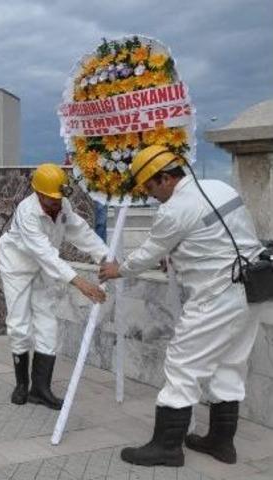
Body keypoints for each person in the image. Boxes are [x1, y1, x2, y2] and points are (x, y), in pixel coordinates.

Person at [99, 145, 265, 467]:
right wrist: (180, 254)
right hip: (253, 289)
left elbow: (148, 252)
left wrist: (117, 269)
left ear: (164, 178)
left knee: (182, 363)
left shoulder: (174, 209)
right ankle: (221, 442)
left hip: (217, 295)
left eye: (150, 187)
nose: (151, 196)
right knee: (230, 364)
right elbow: (214, 237)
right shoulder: (218, 187)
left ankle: (167, 447)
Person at [0, 163, 108, 410]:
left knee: (48, 321)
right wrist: (79, 282)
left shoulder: (62, 204)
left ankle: (40, 389)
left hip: (44, 267)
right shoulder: (27, 213)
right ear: (38, 193)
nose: (57, 204)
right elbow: (44, 253)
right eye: (51, 200)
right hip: (17, 265)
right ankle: (21, 385)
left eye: (60, 198)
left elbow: (81, 232)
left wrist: (106, 257)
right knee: (19, 324)